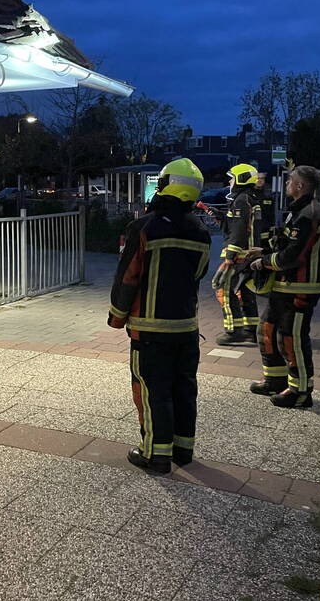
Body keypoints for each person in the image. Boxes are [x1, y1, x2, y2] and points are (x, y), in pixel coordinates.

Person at [108, 158, 211, 473]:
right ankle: (182, 449)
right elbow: (199, 273)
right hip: (186, 327)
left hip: (149, 330)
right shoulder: (201, 230)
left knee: (152, 389)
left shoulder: (144, 227)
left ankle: (155, 454)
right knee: (184, 387)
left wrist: (116, 317)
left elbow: (128, 277)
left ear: (166, 184)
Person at [247, 166, 320, 408]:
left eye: (290, 180)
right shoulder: (298, 212)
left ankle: (301, 391)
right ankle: (275, 380)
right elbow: (286, 244)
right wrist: (264, 251)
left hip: (300, 288)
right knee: (267, 329)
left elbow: (295, 255)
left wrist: (263, 262)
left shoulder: (311, 214)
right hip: (285, 285)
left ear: (301, 186)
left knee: (291, 337)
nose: (286, 184)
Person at [212, 164, 261, 345]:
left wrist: (230, 256)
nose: (229, 181)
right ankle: (252, 329)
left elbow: (240, 231)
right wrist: (221, 217)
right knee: (246, 291)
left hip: (239, 254)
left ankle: (233, 330)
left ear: (241, 179)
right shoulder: (248, 198)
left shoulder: (241, 200)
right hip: (249, 254)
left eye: (232, 178)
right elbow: (238, 225)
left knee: (221, 287)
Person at [254, 172, 277, 249]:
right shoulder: (249, 195)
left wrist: (272, 229)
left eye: (262, 178)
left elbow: (271, 214)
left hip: (265, 230)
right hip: (252, 229)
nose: (260, 180)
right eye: (258, 178)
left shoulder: (268, 196)